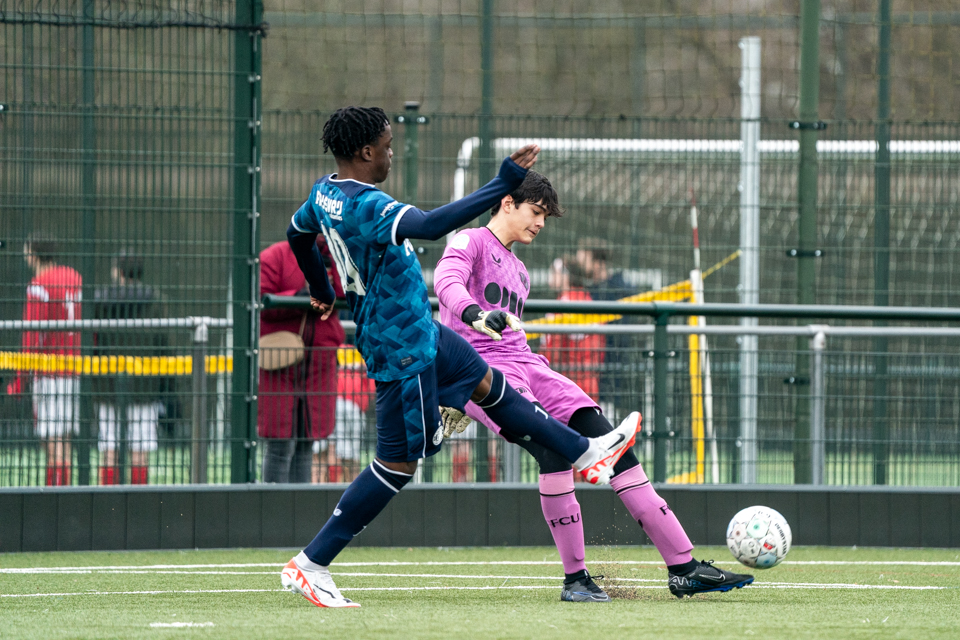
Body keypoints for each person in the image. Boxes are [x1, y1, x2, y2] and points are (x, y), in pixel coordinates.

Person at [280, 106, 639, 608]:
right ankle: (311, 563)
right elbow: (430, 226)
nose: (391, 154)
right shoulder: (366, 204)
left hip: (420, 330)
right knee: (399, 462)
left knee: (489, 383)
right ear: (364, 153)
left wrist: (322, 289)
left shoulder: (325, 192)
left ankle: (587, 455)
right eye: (386, 147)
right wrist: (502, 181)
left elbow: (298, 232)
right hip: (398, 345)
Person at [434, 171, 754, 600]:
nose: (541, 223)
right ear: (507, 203)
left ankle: (684, 566)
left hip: (529, 365)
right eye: (536, 212)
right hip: (484, 370)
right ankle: (576, 580)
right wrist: (474, 315)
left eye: (546, 216)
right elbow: (446, 283)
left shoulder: (521, 271)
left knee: (611, 440)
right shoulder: (468, 242)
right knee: (552, 450)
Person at [259, 237, 344, 484]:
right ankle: (275, 508)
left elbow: (347, 291)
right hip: (280, 360)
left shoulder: (337, 255)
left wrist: (333, 263)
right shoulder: (275, 256)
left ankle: (298, 507)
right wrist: (301, 296)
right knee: (279, 445)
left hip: (319, 361)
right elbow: (263, 299)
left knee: (307, 443)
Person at [6, 236, 82, 486]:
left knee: (52, 442)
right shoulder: (74, 277)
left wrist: (19, 381)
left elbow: (32, 337)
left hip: (49, 373)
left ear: (34, 254)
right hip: (74, 370)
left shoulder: (39, 285)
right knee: (64, 440)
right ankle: (65, 494)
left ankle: (56, 498)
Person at [93, 250, 168, 485]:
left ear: (117, 271)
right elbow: (163, 346)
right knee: (139, 451)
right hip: (145, 387)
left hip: (108, 386)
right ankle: (138, 504)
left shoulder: (100, 301)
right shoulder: (156, 301)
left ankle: (106, 504)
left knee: (109, 450)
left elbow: (93, 344)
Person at [541, 256, 604, 404]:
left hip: (565, 387)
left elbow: (553, 352)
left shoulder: (563, 306)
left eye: (554, 272)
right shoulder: (588, 301)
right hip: (590, 384)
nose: (551, 277)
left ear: (566, 275)